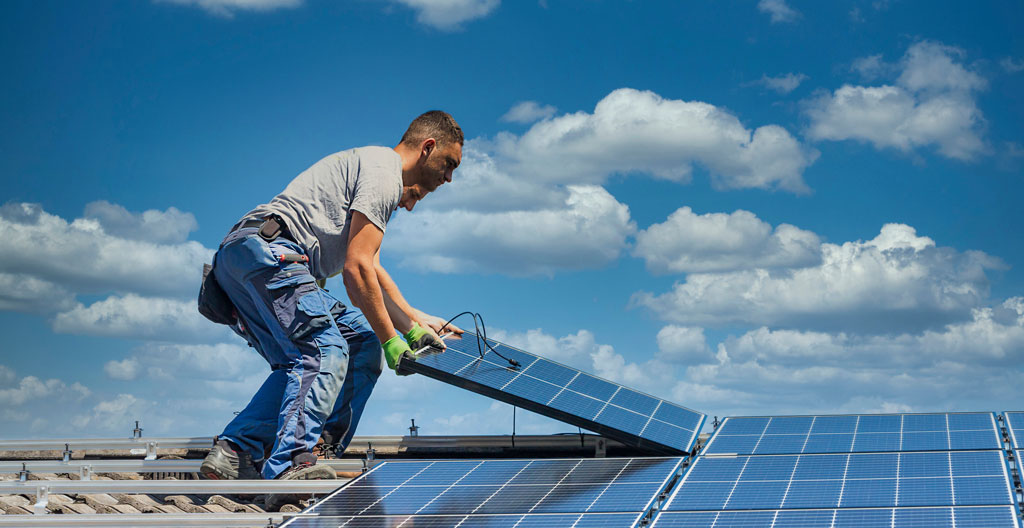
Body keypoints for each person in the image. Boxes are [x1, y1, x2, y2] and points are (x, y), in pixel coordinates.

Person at [199, 111, 465, 483]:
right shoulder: (384, 173)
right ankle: (294, 460)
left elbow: (370, 267)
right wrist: (393, 340)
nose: (449, 177)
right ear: (428, 147)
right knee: (323, 350)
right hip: (272, 255)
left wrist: (414, 322)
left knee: (356, 343)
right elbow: (356, 274)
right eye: (449, 164)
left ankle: (237, 451)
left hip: (247, 258)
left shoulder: (371, 170)